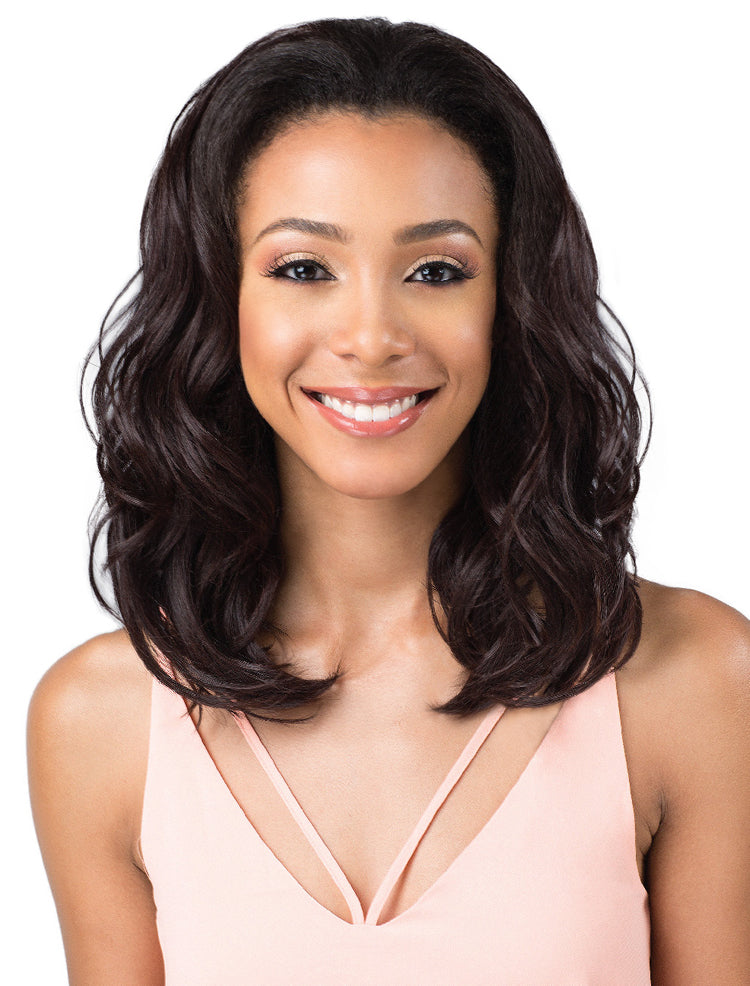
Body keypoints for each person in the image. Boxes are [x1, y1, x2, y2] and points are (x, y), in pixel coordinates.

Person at [27, 16, 749, 985]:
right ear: (218, 296)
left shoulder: (692, 681)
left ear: (512, 301)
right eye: (303, 268)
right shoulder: (99, 722)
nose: (371, 336)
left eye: (436, 271)